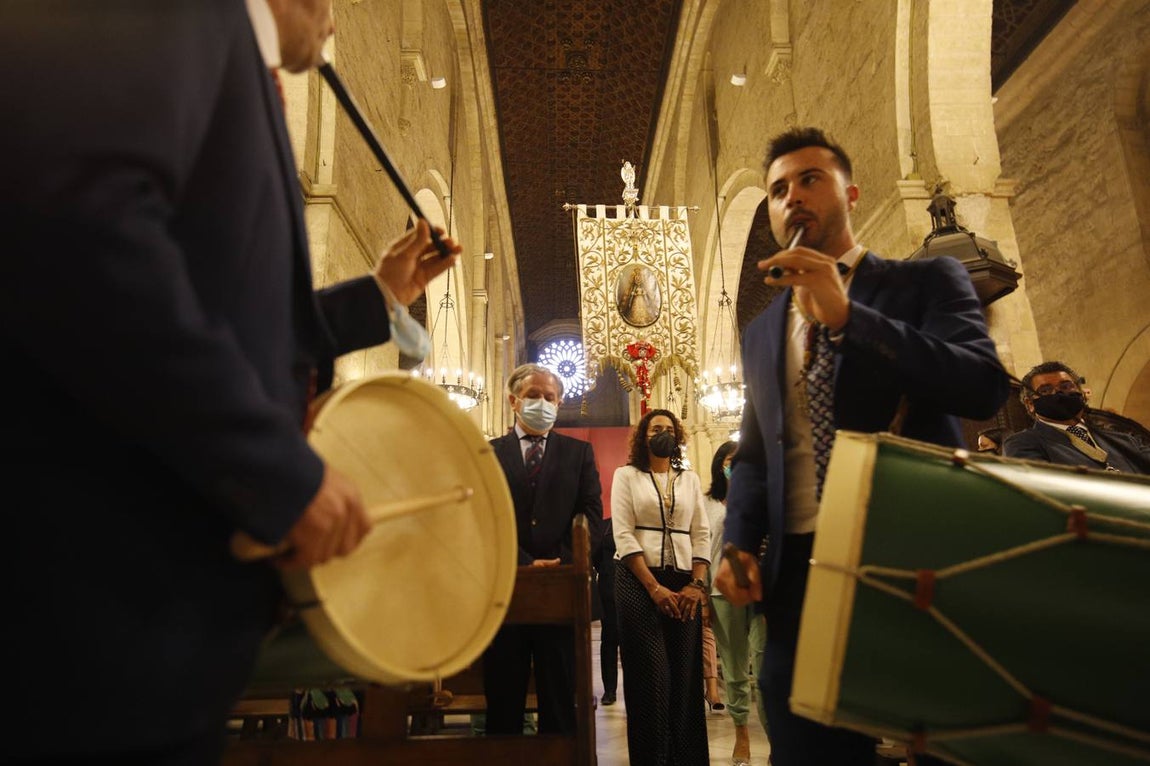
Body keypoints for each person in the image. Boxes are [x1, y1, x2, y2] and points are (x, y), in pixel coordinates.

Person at [3, 3, 462, 763]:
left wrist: (380, 295)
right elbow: (83, 236)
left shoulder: (232, 65)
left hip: (155, 623)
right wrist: (276, 471)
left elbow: (236, 323)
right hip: (97, 608)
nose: (337, 22)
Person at [713, 127, 1009, 766]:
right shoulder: (763, 331)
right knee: (805, 747)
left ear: (850, 191)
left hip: (910, 556)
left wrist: (850, 318)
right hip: (800, 573)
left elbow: (981, 385)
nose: (793, 197)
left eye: (810, 179)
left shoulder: (927, 281)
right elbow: (759, 455)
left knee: (943, 739)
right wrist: (737, 541)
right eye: (778, 189)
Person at [483, 363, 605, 735]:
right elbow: (482, 517)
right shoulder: (488, 453)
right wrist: (524, 563)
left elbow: (591, 515)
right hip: (506, 591)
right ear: (513, 401)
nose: (542, 402)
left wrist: (562, 563)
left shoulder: (578, 453)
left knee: (559, 702)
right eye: (533, 396)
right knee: (503, 704)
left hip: (561, 591)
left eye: (549, 397)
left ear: (560, 402)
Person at [612, 409, 712, 766]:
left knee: (685, 678)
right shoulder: (626, 476)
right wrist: (654, 588)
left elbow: (701, 533)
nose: (663, 434)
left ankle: (687, 759)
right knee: (651, 677)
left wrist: (696, 585)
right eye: (656, 429)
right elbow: (623, 535)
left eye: (669, 429)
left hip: (684, 582)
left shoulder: (690, 480)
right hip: (638, 581)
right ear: (643, 436)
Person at [705, 440, 768, 766]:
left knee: (766, 663)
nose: (734, 467)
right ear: (720, 466)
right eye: (729, 462)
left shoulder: (760, 499)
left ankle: (775, 741)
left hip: (760, 592)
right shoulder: (707, 503)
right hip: (720, 592)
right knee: (734, 668)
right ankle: (741, 732)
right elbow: (701, 549)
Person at [1004, 361, 1150, 473]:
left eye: (1066, 386)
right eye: (1046, 390)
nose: (1058, 393)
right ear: (1030, 404)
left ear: (1081, 392)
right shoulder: (1023, 444)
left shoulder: (1125, 439)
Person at [595, 517, 621, 706]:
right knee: (609, 639)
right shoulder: (605, 526)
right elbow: (595, 556)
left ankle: (634, 688)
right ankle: (609, 690)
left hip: (630, 586)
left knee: (632, 641)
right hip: (607, 588)